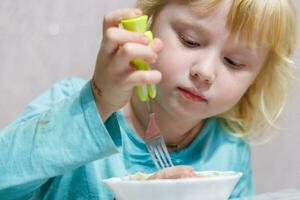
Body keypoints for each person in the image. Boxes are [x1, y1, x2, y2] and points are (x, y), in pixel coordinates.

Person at [0, 0, 297, 199]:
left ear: (256, 80)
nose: (205, 72)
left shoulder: (228, 146)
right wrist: (98, 101)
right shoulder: (73, 104)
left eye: (233, 62)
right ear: (147, 24)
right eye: (190, 41)